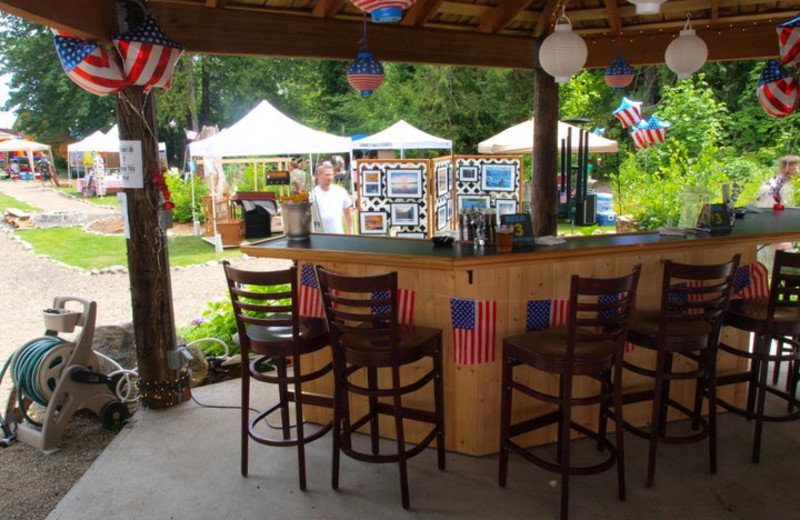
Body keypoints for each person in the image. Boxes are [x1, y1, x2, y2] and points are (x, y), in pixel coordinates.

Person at [311, 162, 352, 234]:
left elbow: (347, 213)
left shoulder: (340, 192)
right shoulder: (312, 194)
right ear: (319, 175)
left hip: (337, 235)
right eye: (327, 175)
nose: (329, 177)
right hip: (319, 237)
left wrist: (350, 232)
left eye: (331, 175)